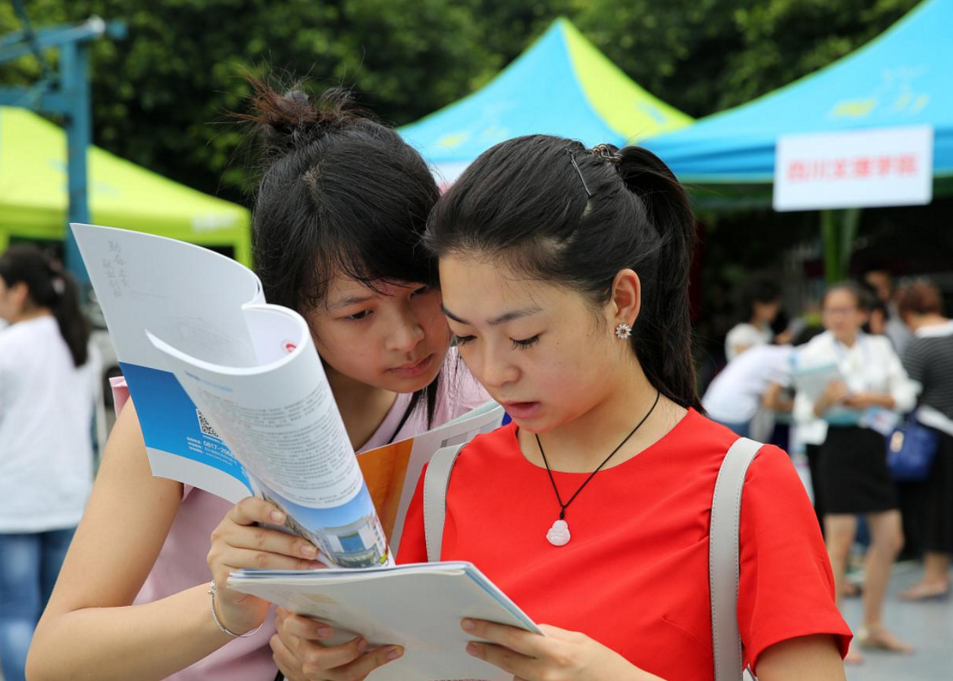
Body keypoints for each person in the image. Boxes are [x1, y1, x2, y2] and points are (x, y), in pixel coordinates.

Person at [278, 138, 852, 680]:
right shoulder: (446, 482)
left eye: (524, 336)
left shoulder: (744, 486)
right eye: (465, 338)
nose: (495, 372)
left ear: (621, 300)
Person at [26, 81, 487, 681]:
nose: (406, 337)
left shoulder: (477, 391)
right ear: (291, 309)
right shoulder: (185, 400)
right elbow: (56, 656)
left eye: (422, 291)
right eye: (358, 313)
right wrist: (223, 608)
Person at [793, 282, 916, 662]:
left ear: (862, 313)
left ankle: (873, 625)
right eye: (831, 309)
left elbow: (905, 392)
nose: (838, 316)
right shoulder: (812, 352)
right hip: (835, 445)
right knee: (840, 542)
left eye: (845, 309)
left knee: (890, 537)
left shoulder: (878, 346)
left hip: (872, 442)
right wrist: (827, 399)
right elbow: (803, 413)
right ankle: (834, 637)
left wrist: (874, 398)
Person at [0, 246, 100, 681]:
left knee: (14, 614)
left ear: (19, 291)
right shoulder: (80, 344)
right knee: (53, 618)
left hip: (15, 499)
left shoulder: (9, 347)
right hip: (70, 495)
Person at [896, 281, 953, 600]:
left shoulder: (919, 345)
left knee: (936, 506)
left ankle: (934, 577)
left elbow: (906, 397)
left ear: (906, 311)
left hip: (936, 432)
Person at [702, 342, 794, 440]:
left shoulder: (764, 351)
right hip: (733, 416)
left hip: (710, 408)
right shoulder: (789, 361)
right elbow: (770, 402)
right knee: (739, 453)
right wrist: (795, 405)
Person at [724, 277, 782, 361]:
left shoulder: (766, 329)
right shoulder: (740, 333)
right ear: (757, 306)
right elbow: (748, 362)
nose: (776, 309)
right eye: (772, 304)